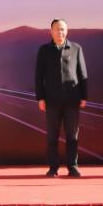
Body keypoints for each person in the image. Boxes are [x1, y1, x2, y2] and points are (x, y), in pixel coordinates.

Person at [34, 19, 88, 177]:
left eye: (63, 29)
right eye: (57, 29)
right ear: (51, 31)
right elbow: (38, 76)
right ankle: (53, 168)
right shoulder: (44, 50)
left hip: (72, 99)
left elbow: (82, 73)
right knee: (52, 136)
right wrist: (40, 98)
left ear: (67, 31)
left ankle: (73, 166)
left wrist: (84, 96)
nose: (60, 32)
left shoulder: (76, 48)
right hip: (52, 101)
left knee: (72, 136)